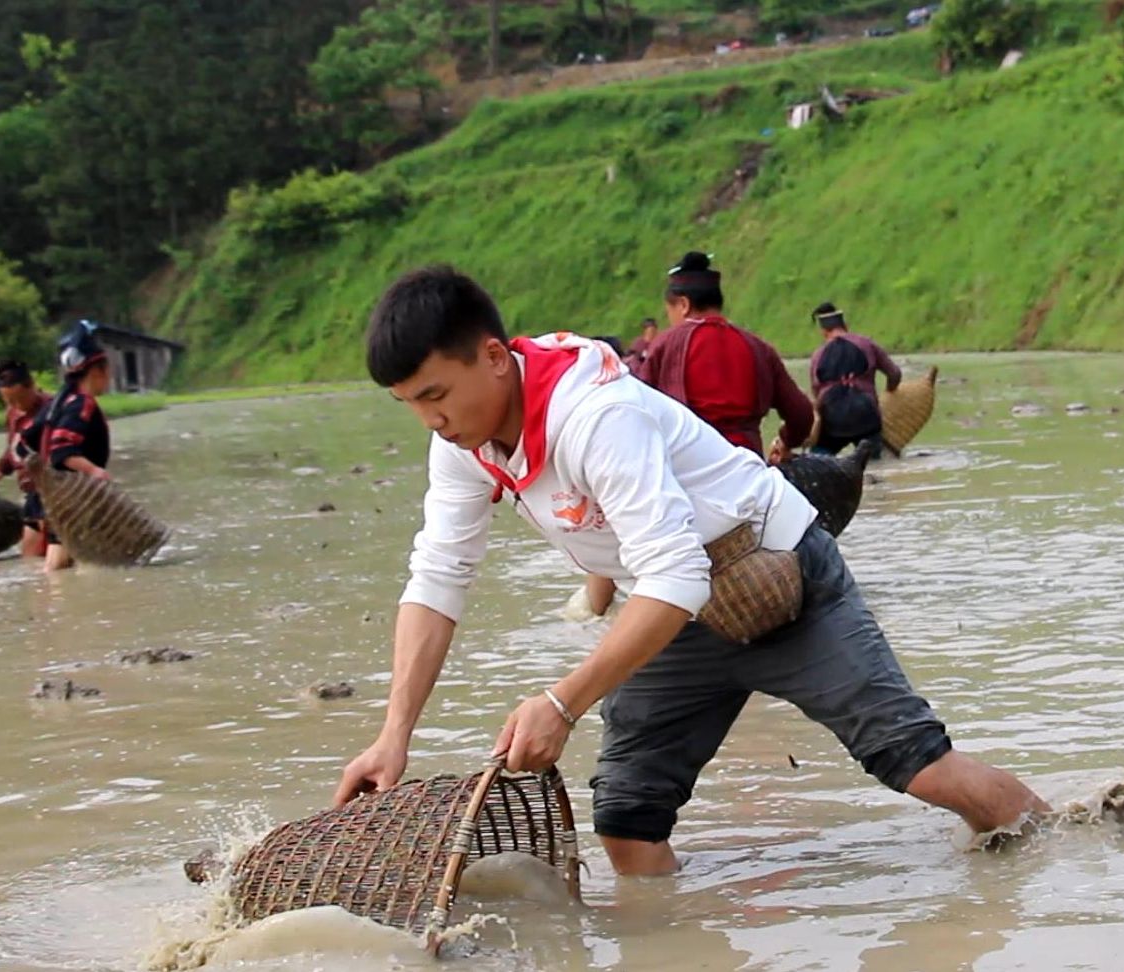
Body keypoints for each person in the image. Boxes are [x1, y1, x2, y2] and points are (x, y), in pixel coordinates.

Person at [334, 265, 1050, 877]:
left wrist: (560, 704)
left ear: (493, 357)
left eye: (434, 395)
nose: (429, 419)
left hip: (778, 576)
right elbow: (437, 576)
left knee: (919, 766)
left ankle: (1068, 849)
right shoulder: (462, 445)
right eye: (409, 406)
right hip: (675, 616)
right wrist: (394, 734)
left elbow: (674, 575)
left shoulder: (595, 416)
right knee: (626, 823)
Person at [635, 252, 814, 459]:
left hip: (690, 470)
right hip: (748, 467)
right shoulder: (757, 347)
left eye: (669, 311)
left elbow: (636, 411)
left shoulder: (665, 345)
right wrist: (786, 441)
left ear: (683, 305)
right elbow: (802, 415)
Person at [19, 321, 113, 573]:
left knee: (50, 565)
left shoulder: (57, 403)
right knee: (58, 569)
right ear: (97, 371)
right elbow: (62, 450)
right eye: (108, 370)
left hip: (47, 496)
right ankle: (53, 610)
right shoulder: (82, 404)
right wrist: (94, 472)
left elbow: (24, 441)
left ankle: (41, 606)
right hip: (68, 499)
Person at [0, 360, 52, 557]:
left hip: (55, 494)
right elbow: (14, 451)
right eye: (9, 402)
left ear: (31, 386)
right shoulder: (13, 414)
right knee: (31, 558)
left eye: (19, 401)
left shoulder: (53, 411)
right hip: (33, 495)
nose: (15, 407)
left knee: (54, 558)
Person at [807, 302, 902, 457]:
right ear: (845, 325)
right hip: (866, 416)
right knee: (873, 460)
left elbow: (816, 392)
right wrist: (890, 392)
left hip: (832, 419)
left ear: (824, 331)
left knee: (819, 458)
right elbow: (894, 374)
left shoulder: (818, 355)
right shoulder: (867, 344)